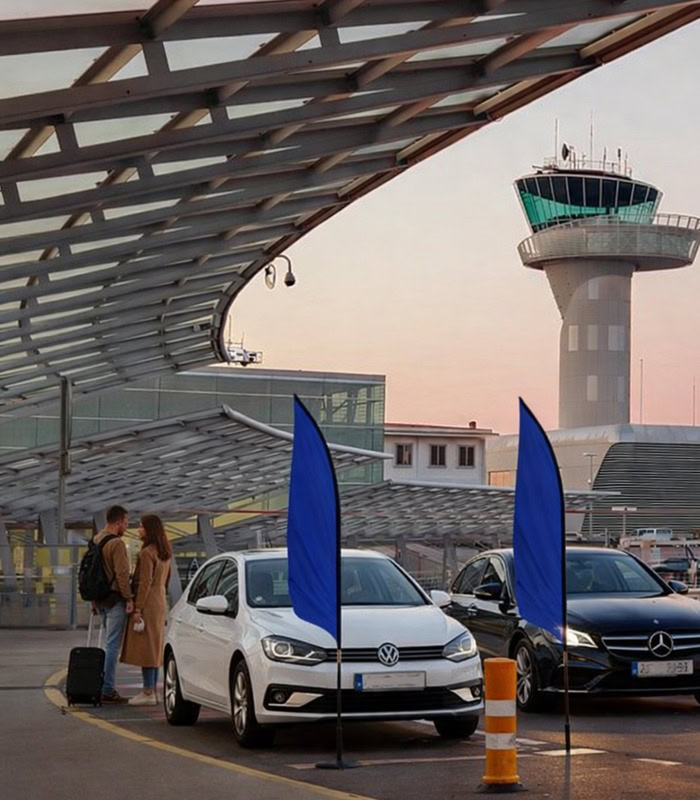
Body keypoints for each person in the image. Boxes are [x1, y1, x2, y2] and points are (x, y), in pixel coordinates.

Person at [121, 514, 172, 706]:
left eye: (141, 527)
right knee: (154, 646)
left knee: (146, 648)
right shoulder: (165, 552)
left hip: (149, 601)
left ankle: (148, 691)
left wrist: (138, 609)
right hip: (160, 601)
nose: (138, 530)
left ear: (149, 530)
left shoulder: (146, 553)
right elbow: (165, 580)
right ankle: (150, 690)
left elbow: (144, 583)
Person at [93, 504, 134, 704]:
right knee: (112, 646)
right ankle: (107, 688)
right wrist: (129, 598)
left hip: (99, 599)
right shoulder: (116, 543)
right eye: (126, 523)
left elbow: (92, 573)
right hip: (115, 600)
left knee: (107, 644)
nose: (126, 526)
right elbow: (122, 574)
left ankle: (101, 685)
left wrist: (93, 600)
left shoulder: (97, 539)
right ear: (118, 521)